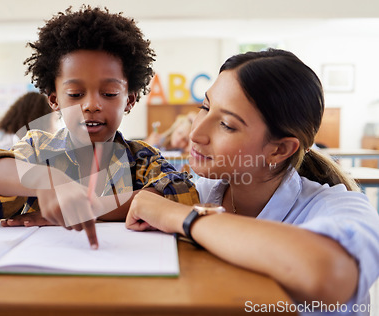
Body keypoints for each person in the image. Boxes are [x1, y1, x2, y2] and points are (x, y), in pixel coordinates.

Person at [125, 49, 379, 313]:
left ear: (279, 150)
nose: (196, 133)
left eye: (226, 124)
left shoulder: (342, 207)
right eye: (205, 107)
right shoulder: (202, 191)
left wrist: (182, 218)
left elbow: (328, 275)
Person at [0, 6, 199, 249]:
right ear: (54, 100)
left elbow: (182, 195)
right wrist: (50, 179)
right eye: (75, 94)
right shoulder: (38, 149)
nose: (91, 105)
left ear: (129, 99)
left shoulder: (141, 158)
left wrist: (89, 207)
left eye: (109, 93)